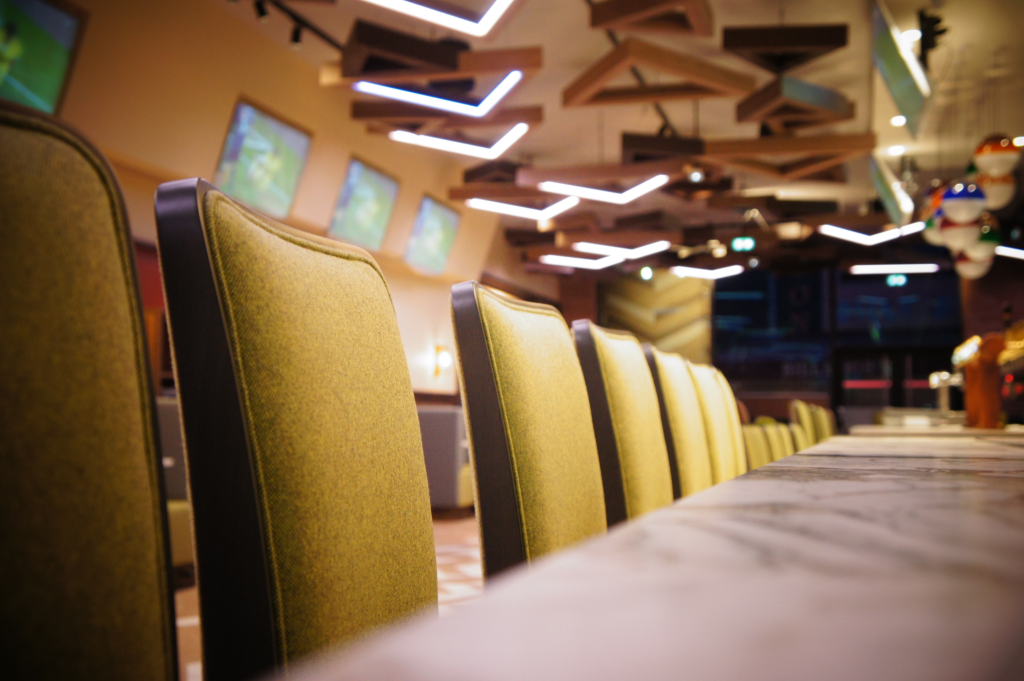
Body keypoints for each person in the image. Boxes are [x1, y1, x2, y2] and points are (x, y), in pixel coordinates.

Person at [0, 21, 24, 88]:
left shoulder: (17, 47)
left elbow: (12, 63)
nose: (8, 38)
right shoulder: (0, 33)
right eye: (7, 35)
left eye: (11, 36)